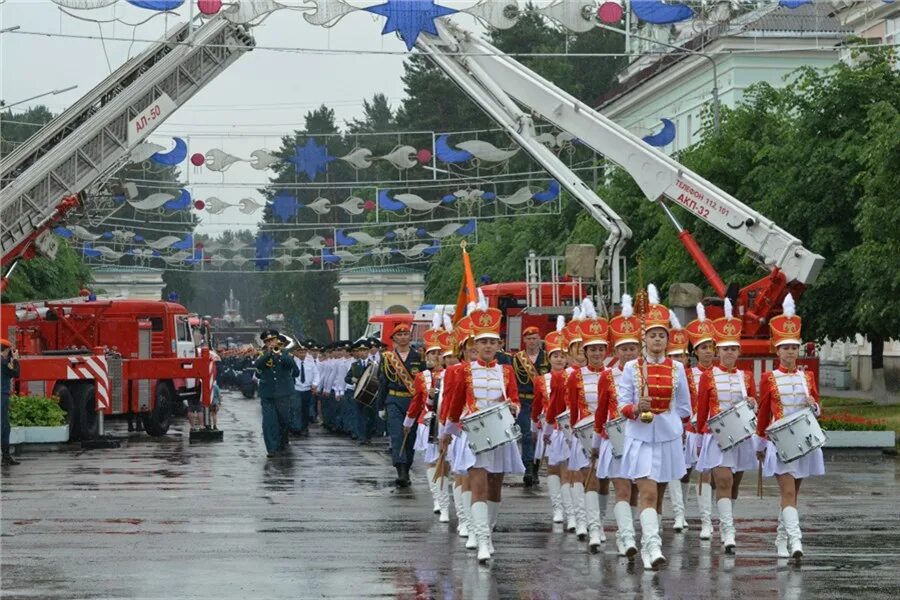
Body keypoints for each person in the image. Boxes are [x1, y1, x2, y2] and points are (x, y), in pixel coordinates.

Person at [442, 298, 524, 563]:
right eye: (483, 342)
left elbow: (514, 399)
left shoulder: (507, 371)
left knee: (495, 486)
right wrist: (448, 432)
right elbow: (454, 404)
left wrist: (514, 408)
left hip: (500, 434)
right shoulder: (462, 372)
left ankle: (487, 529)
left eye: (493, 342)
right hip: (473, 433)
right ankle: (482, 540)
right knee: (477, 485)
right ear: (474, 345)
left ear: (499, 346)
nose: (488, 346)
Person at [617, 285, 691, 570]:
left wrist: (668, 417)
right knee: (647, 493)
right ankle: (653, 546)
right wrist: (637, 408)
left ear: (667, 340)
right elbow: (622, 406)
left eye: (662, 335)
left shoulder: (677, 368)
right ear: (644, 339)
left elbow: (685, 406)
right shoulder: (631, 368)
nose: (657, 339)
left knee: (659, 497)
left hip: (668, 437)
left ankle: (651, 543)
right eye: (652, 335)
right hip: (641, 437)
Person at [755, 293, 823, 560]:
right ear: (777, 350)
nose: (790, 352)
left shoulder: (807, 376)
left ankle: (781, 539)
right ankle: (796, 541)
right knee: (787, 491)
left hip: (804, 441)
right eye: (785, 348)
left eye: (794, 347)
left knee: (792, 495)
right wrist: (760, 443)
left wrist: (813, 404)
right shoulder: (769, 378)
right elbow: (762, 413)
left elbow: (818, 406)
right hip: (781, 442)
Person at [695, 298, 758, 554]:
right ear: (717, 351)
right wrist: (699, 438)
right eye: (725, 349)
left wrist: (752, 401)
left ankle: (725, 520)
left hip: (742, 436)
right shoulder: (708, 376)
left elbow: (753, 405)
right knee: (723, 479)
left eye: (734, 349)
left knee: (734, 484)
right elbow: (701, 409)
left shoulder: (746, 377)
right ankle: (728, 531)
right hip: (717, 435)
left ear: (739, 352)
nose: (729, 353)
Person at [592, 293, 641, 559]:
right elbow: (600, 411)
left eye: (632, 348)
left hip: (642, 438)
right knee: (622, 489)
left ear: (639, 349)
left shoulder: (646, 372)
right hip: (616, 439)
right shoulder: (607, 376)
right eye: (623, 349)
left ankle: (626, 533)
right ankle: (627, 537)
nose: (628, 353)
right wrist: (597, 443)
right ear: (616, 351)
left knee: (635, 492)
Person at [566, 297, 609, 552]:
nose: (596, 353)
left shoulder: (613, 374)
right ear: (584, 352)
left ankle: (600, 522)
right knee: (589, 478)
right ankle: (593, 528)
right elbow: (572, 408)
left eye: (600, 349)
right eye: (591, 349)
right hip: (584, 431)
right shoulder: (575, 377)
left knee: (604, 482)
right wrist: (575, 432)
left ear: (605, 350)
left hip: (606, 433)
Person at [404, 315, 449, 520]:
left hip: (447, 423)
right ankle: (437, 498)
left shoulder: (453, 374)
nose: (437, 357)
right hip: (427, 422)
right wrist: (409, 421)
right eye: (433, 353)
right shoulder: (421, 376)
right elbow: (416, 401)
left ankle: (446, 495)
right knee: (431, 461)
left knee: (447, 461)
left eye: (440, 353)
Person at [376, 323, 424, 487]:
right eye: (399, 335)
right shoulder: (388, 358)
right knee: (397, 435)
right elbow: (382, 382)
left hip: (413, 402)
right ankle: (401, 470)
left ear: (410, 337)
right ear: (394, 338)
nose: (403, 337)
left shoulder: (419, 357)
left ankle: (407, 465)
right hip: (394, 400)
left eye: (406, 334)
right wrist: (380, 406)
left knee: (411, 436)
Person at [685, 303, 717, 539]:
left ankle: (708, 517)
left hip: (713, 429)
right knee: (686, 472)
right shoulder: (686, 375)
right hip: (690, 429)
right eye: (703, 348)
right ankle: (683, 512)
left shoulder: (722, 374)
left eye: (710, 347)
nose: (707, 351)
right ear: (695, 352)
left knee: (711, 473)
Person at [531, 318, 567, 525]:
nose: (559, 360)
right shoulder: (540, 380)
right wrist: (535, 422)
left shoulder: (573, 376)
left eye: (563, 356)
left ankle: (570, 506)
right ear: (549, 358)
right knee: (553, 466)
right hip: (549, 425)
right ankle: (557, 507)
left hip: (570, 425)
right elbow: (537, 403)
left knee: (569, 468)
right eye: (555, 356)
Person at [664, 312, 695, 533]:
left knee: (686, 471)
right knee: (673, 471)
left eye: (681, 356)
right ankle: (678, 513)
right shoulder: (664, 373)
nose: (677, 360)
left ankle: (681, 510)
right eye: (673, 356)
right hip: (668, 427)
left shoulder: (693, 375)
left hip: (690, 427)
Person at [512, 325, 548, 486]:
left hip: (542, 402)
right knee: (526, 435)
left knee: (539, 437)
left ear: (539, 339)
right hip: (525, 401)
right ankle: (528, 468)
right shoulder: (517, 359)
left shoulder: (547, 358)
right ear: (524, 340)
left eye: (534, 338)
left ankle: (535, 468)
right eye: (529, 339)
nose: (532, 341)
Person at [254, 330, 299, 457]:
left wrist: (280, 354)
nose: (271, 343)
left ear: (277, 340)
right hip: (267, 394)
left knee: (284, 421)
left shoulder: (286, 353)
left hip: (284, 394)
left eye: (272, 340)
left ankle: (281, 441)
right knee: (269, 422)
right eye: (268, 341)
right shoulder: (262, 354)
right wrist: (268, 353)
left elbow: (295, 369)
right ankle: (271, 449)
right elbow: (258, 366)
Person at [292, 342, 320, 437]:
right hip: (296, 389)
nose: (302, 354)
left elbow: (316, 374)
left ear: (306, 352)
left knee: (305, 410)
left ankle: (304, 428)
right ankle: (297, 427)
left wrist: (315, 384)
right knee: (297, 409)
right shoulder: (293, 362)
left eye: (304, 352)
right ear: (297, 353)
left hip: (307, 389)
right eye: (300, 352)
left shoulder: (311, 363)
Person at [2, 339, 21, 466]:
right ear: (7, 350)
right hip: (1, 395)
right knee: (4, 427)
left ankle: (6, 456)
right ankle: (6, 457)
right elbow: (16, 373)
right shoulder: (2, 363)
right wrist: (15, 359)